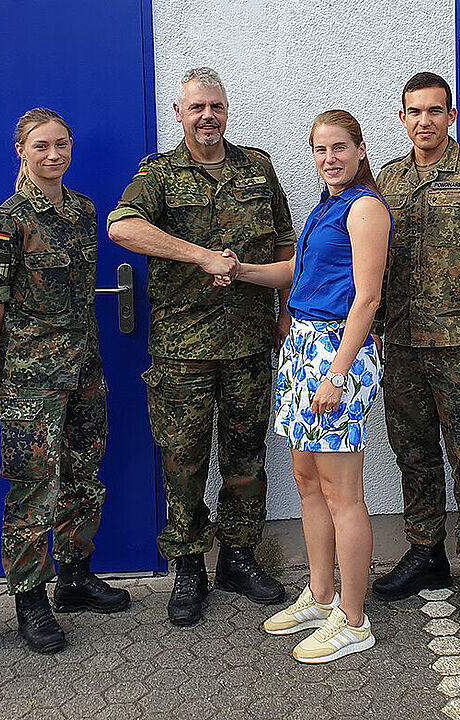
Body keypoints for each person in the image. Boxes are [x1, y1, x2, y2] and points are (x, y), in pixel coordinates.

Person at [106, 67, 294, 627]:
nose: (207, 116)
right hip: (183, 348)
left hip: (249, 343)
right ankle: (188, 567)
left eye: (215, 106)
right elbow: (122, 227)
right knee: (183, 461)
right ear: (179, 114)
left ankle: (238, 557)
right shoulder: (159, 175)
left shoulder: (257, 167)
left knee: (246, 456)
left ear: (227, 110)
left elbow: (285, 240)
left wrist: (284, 308)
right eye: (196, 108)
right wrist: (201, 256)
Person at [225, 110, 391, 663]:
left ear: (360, 150)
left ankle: (354, 617)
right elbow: (298, 271)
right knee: (306, 479)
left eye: (340, 148)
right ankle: (321, 597)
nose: (330, 159)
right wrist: (243, 271)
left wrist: (338, 372)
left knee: (344, 494)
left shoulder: (365, 208)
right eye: (321, 150)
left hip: (335, 351)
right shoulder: (324, 205)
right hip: (301, 349)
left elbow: (366, 298)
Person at [0, 108, 130, 655]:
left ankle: (75, 577)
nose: (53, 154)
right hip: (32, 379)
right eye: (41, 145)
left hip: (85, 366)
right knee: (34, 489)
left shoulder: (84, 210)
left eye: (62, 143)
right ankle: (30, 600)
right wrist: (21, 358)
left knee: (85, 473)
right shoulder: (9, 220)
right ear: (22, 151)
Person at [371, 71, 460, 626]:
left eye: (435, 111)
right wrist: (376, 326)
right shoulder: (388, 180)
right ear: (403, 118)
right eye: (415, 112)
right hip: (402, 346)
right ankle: (427, 552)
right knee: (414, 457)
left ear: (450, 116)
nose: (424, 121)